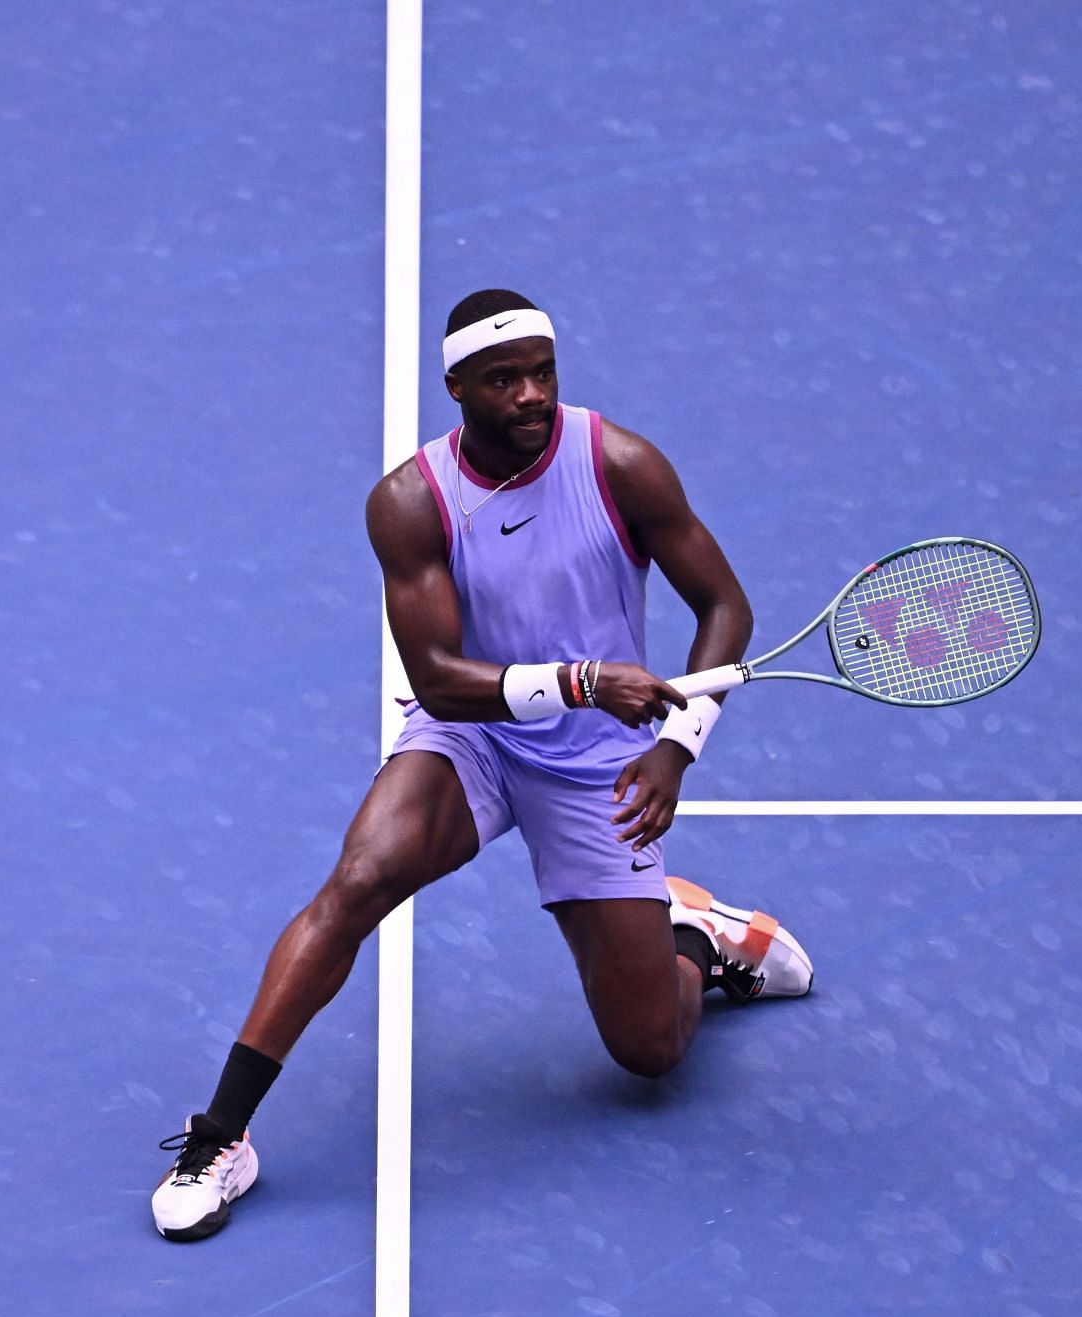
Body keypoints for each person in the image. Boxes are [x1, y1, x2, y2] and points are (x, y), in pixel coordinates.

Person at [151, 290, 813, 1242]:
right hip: (475, 734)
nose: (533, 395)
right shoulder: (410, 503)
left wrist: (677, 747)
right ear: (456, 387)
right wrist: (584, 679)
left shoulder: (620, 464)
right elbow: (439, 679)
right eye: (506, 380)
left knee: (650, 1053)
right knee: (360, 879)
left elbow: (725, 608)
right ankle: (220, 1133)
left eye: (545, 372)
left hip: (598, 769)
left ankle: (701, 939)